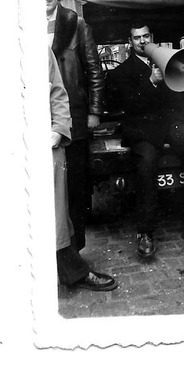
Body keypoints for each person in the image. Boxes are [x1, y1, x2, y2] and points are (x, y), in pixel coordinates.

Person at [106, 22, 184, 261]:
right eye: (137, 38)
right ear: (130, 42)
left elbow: (182, 94)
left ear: (151, 37)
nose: (142, 42)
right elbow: (129, 105)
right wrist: (152, 82)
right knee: (146, 163)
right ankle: (145, 231)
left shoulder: (167, 60)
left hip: (169, 122)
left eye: (146, 36)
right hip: (142, 128)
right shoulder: (121, 72)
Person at [47, 0, 104, 253]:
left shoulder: (75, 24)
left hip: (75, 115)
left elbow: (94, 69)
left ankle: (76, 248)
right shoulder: (23, 24)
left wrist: (94, 110)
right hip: (43, 116)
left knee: (76, 185)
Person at [50, 48, 117, 292]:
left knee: (57, 212)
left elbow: (57, 90)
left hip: (48, 139)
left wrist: (58, 129)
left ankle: (72, 269)